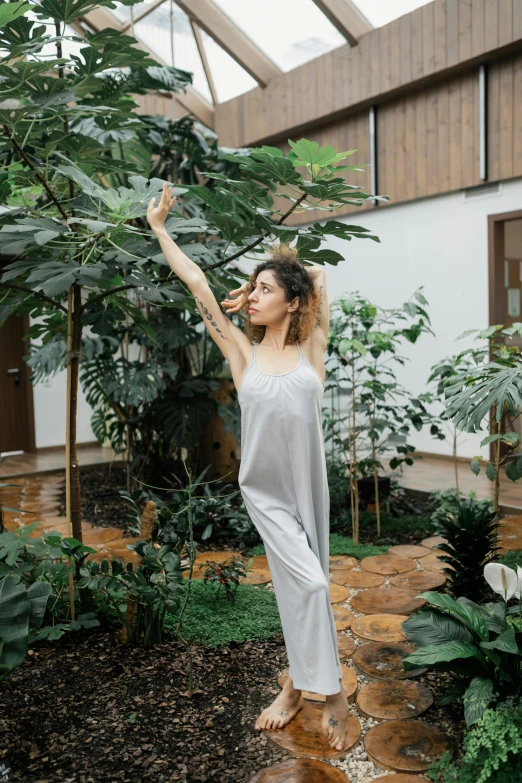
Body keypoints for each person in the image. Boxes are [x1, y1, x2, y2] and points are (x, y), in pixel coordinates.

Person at [147, 182, 352, 752]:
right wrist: (161, 228)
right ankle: (332, 697)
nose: (254, 296)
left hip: (310, 488)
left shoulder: (312, 349)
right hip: (267, 493)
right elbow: (197, 285)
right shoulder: (242, 351)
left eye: (265, 290)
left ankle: (290, 688)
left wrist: (283, 272)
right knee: (310, 584)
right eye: (252, 288)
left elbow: (317, 279)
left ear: (292, 302)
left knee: (300, 590)